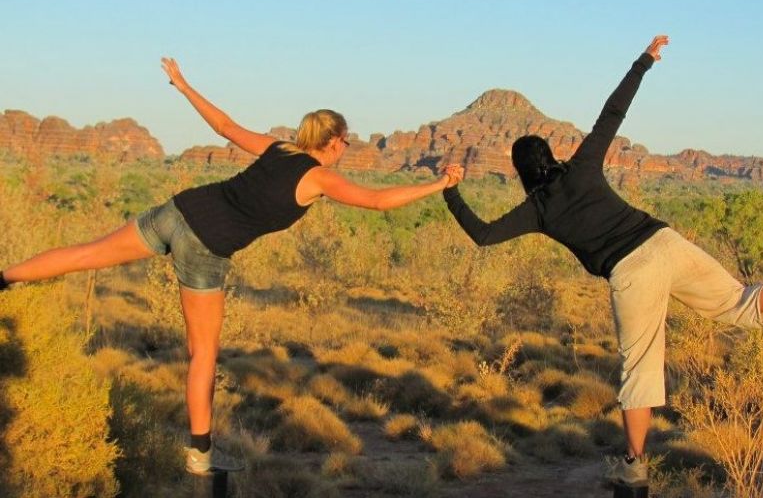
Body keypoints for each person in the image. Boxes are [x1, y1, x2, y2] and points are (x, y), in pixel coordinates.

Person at [0, 58, 464, 475]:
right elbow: (379, 201)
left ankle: (3, 278)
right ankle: (200, 455)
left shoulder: (278, 148)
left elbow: (224, 126)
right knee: (202, 353)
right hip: (206, 249)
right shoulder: (319, 177)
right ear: (334, 141)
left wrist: (184, 86)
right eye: (346, 140)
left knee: (85, 254)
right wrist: (439, 185)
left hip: (179, 210)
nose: (346, 147)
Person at [441, 35, 763, 487]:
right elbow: (612, 112)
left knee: (640, 368)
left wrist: (450, 192)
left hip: (633, 271)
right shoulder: (582, 166)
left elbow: (482, 235)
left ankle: (634, 467)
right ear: (551, 156)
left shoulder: (536, 210)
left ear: (520, 171)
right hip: (665, 241)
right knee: (738, 300)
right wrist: (645, 60)